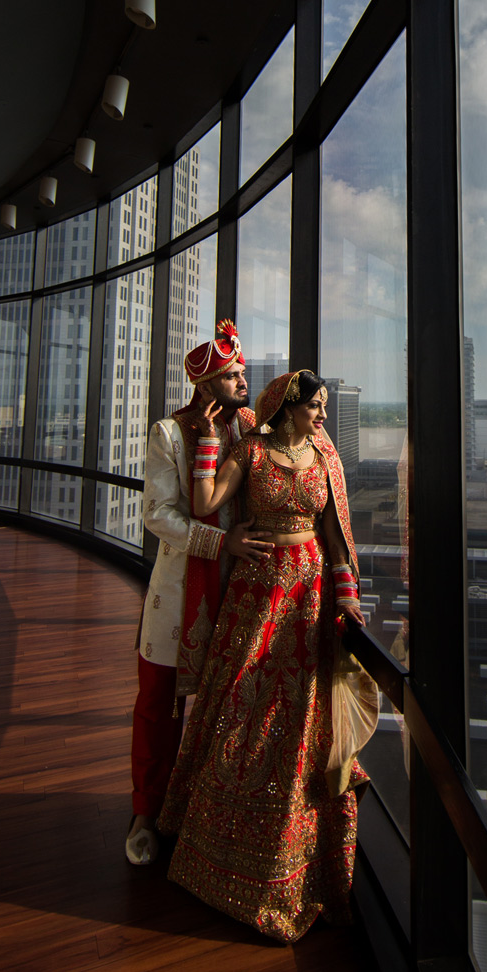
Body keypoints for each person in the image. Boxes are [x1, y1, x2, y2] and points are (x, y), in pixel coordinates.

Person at [158, 369, 368, 941]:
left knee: (297, 718)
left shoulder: (325, 458)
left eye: (325, 406)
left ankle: (287, 861)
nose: (323, 416)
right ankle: (214, 852)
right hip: (255, 593)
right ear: (287, 408)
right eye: (315, 407)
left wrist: (346, 600)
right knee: (240, 703)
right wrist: (204, 440)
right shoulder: (251, 451)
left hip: (308, 597)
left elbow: (336, 534)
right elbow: (203, 500)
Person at [125, 319, 272, 865]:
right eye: (232, 376)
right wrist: (220, 542)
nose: (242, 382)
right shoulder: (168, 433)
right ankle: (145, 810)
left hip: (241, 589)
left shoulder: (252, 429)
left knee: (228, 707)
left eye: (242, 373)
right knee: (158, 706)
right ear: (205, 386)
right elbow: (157, 516)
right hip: (178, 590)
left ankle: (207, 810)